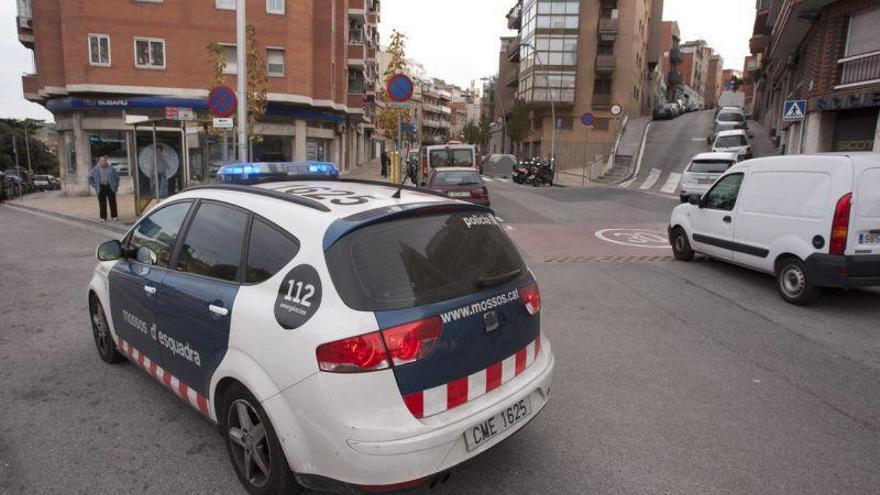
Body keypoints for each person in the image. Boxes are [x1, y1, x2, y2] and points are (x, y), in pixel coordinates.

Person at [88, 155, 120, 222]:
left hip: (110, 186)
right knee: (102, 203)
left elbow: (117, 178)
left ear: (106, 161)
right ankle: (103, 217)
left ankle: (114, 216)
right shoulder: (95, 169)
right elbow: (89, 178)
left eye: (105, 160)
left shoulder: (111, 169)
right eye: (102, 160)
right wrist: (95, 185)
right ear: (99, 162)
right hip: (101, 187)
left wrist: (116, 185)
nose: (103, 162)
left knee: (112, 202)